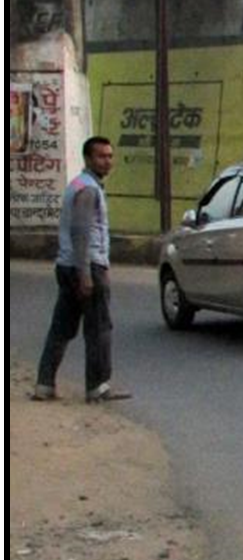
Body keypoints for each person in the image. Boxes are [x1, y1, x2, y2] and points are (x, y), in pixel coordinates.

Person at [33, 136, 132, 404]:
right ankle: (97, 386)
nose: (107, 161)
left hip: (68, 265)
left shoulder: (77, 185)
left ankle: (44, 384)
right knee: (99, 328)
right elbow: (81, 233)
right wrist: (86, 274)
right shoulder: (87, 189)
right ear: (88, 158)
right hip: (85, 266)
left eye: (110, 156)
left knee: (62, 327)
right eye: (102, 156)